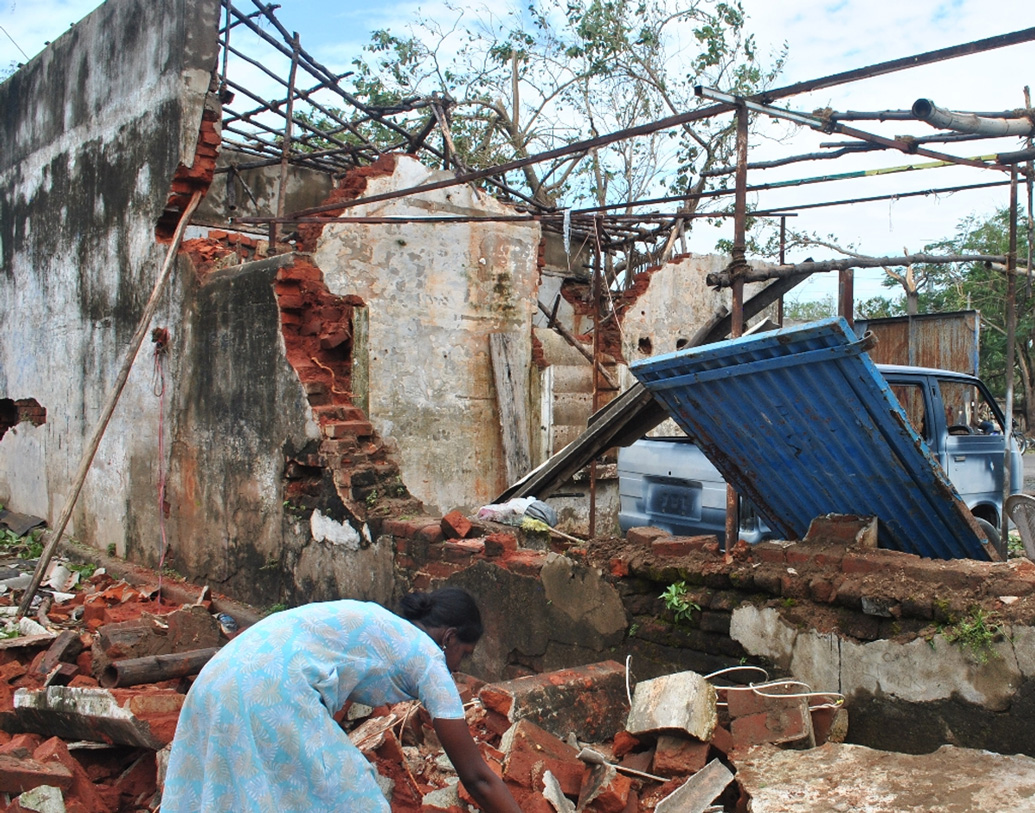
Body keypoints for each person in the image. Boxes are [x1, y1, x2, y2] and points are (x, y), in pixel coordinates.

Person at [161, 588, 522, 812]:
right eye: (465, 653)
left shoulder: (383, 625)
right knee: (355, 800)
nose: (458, 667)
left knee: (234, 795)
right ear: (450, 636)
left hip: (217, 678)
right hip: (270, 691)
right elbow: (477, 778)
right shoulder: (428, 658)